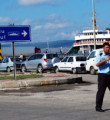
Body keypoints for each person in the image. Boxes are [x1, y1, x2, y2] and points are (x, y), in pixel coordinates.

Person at [96, 42, 110, 112]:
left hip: (109, 75)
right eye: (107, 47)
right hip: (102, 76)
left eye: (108, 47)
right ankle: (98, 107)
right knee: (101, 92)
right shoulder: (100, 55)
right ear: (103, 48)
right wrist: (105, 60)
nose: (108, 49)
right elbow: (97, 64)